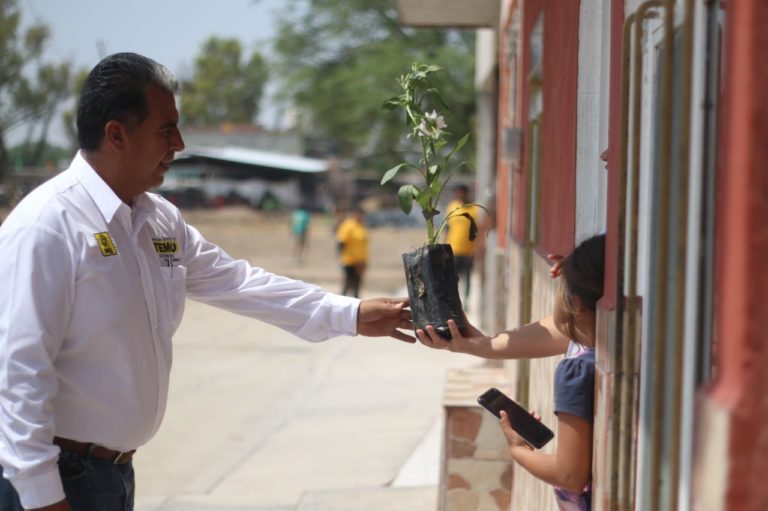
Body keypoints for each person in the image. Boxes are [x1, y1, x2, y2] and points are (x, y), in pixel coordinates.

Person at [0, 53, 413, 511]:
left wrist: (351, 314)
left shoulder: (158, 221)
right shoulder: (48, 226)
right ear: (116, 134)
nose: (178, 144)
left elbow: (239, 282)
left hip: (112, 476)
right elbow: (18, 373)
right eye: (165, 129)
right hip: (54, 482)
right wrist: (40, 496)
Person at [417, 234, 604, 509]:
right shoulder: (602, 346)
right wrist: (476, 344)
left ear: (575, 303)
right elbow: (562, 329)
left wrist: (517, 450)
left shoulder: (576, 371)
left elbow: (569, 475)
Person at [444, 184, 481, 306]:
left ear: (466, 193)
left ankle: (466, 302)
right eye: (458, 193)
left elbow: (477, 231)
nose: (460, 195)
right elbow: (447, 228)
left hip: (468, 251)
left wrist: (478, 249)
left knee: (468, 278)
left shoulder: (474, 209)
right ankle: (454, 300)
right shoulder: (452, 207)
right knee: (453, 278)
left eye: (462, 192)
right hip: (453, 249)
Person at [336, 206, 368, 298]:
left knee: (357, 285)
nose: (361, 216)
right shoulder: (348, 225)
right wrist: (341, 258)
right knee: (348, 283)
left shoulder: (361, 226)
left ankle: (357, 304)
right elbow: (341, 243)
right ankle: (341, 302)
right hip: (349, 260)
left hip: (360, 261)